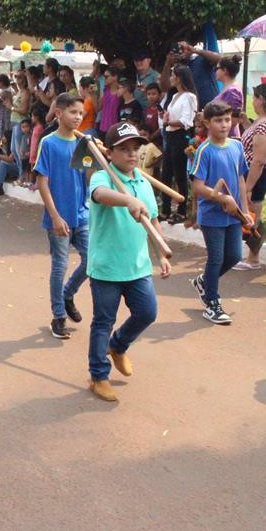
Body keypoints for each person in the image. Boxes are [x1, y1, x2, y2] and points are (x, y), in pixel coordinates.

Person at [85, 122, 171, 402]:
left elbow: (153, 217)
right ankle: (98, 376)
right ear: (110, 153)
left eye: (135, 149)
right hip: (107, 267)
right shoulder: (102, 177)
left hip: (137, 266)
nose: (132, 154)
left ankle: (118, 346)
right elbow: (100, 196)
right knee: (103, 321)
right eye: (124, 149)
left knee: (147, 312)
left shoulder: (143, 182)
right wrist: (127, 200)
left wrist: (160, 252)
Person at [188, 100, 250, 325]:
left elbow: (241, 178)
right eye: (218, 121)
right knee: (216, 258)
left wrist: (244, 209)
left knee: (234, 256)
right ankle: (212, 303)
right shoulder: (204, 150)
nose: (224, 125)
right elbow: (198, 186)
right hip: (212, 215)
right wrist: (221, 197)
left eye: (227, 119)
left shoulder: (237, 146)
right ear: (207, 123)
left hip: (233, 215)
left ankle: (205, 281)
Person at [34, 93, 88, 339]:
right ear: (58, 114)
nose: (78, 117)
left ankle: (68, 294)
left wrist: (98, 155)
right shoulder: (49, 143)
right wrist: (55, 216)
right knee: (60, 265)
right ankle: (58, 316)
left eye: (81, 113)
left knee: (92, 260)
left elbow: (86, 177)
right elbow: (42, 182)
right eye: (73, 112)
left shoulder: (82, 142)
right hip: (59, 216)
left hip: (82, 214)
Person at [235, 83, 266, 270]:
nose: (252, 102)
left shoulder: (265, 125)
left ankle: (253, 258)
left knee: (253, 215)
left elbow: (258, 161)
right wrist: (246, 123)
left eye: (254, 98)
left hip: (256, 174)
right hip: (256, 173)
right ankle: (250, 256)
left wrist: (247, 187)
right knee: (251, 214)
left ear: (261, 99)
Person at [160, 66, 198, 223]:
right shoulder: (175, 95)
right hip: (169, 134)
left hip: (180, 136)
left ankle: (182, 211)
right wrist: (166, 119)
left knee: (179, 173)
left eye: (173, 75)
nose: (170, 78)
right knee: (166, 173)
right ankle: (166, 208)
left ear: (180, 78)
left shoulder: (189, 97)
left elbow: (186, 121)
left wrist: (168, 121)